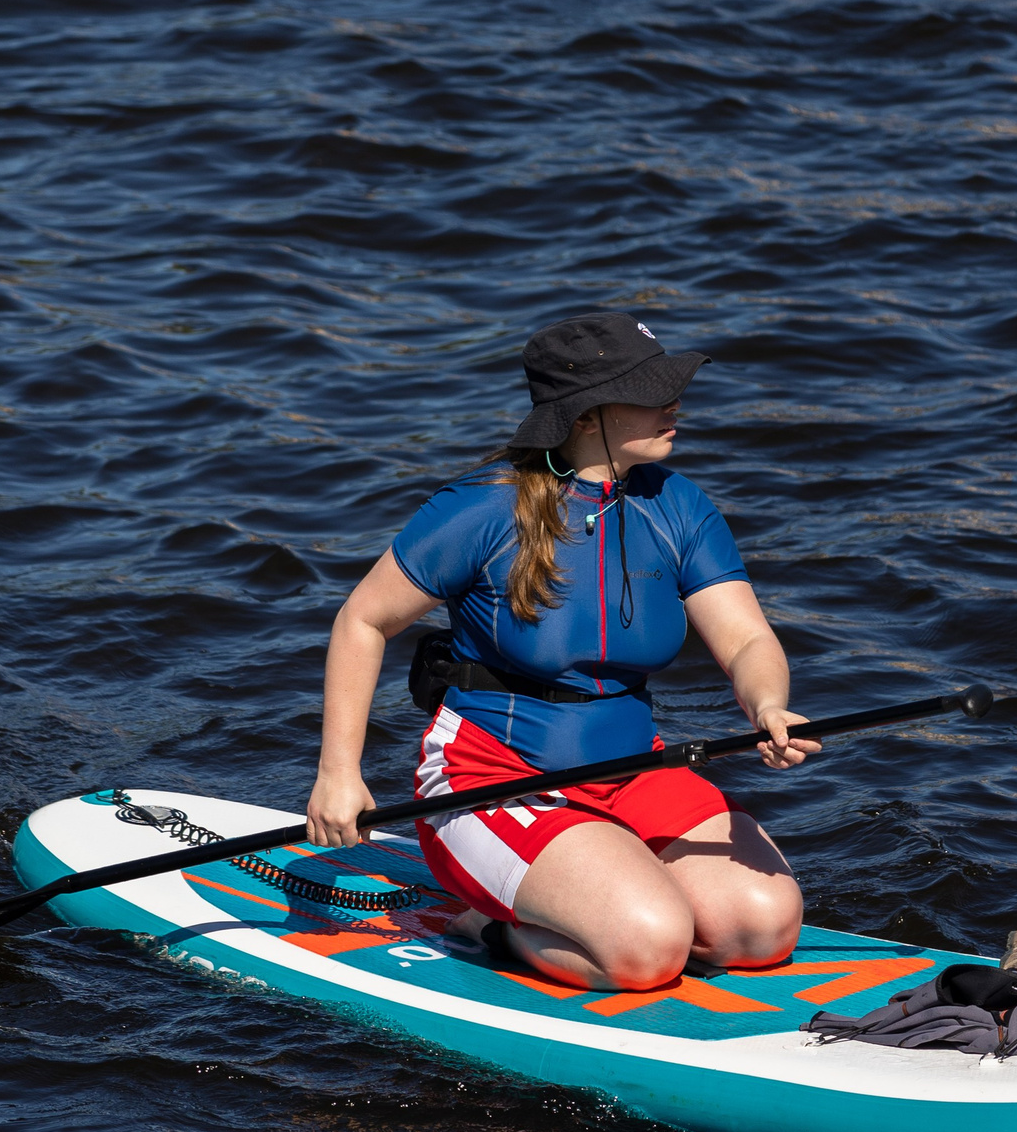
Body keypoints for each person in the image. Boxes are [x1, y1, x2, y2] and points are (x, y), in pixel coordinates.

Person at [304, 311, 819, 992]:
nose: (675, 402)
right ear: (584, 416)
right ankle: (486, 925)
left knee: (765, 922)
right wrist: (339, 773)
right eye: (650, 389)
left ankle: (602, 894)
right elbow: (361, 621)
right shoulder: (481, 512)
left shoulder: (679, 506)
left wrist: (768, 703)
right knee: (650, 945)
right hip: (490, 776)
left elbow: (748, 638)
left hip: (632, 768)